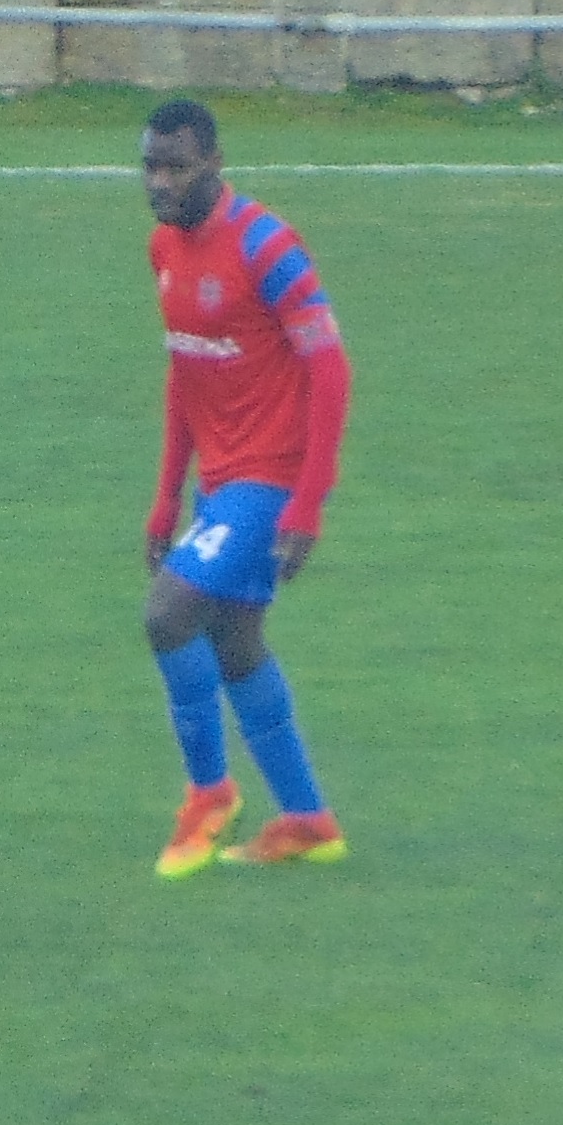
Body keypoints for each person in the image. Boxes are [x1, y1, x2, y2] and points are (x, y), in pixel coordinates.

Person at [134, 97, 349, 876]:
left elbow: (329, 369)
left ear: (215, 161)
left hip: (270, 480)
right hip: (219, 483)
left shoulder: (267, 245)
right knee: (233, 639)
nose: (160, 181)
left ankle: (209, 794)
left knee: (165, 616)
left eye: (176, 165)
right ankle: (307, 818)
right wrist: (165, 495)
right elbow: (184, 371)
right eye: (150, 165)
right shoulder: (163, 246)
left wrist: (308, 501)